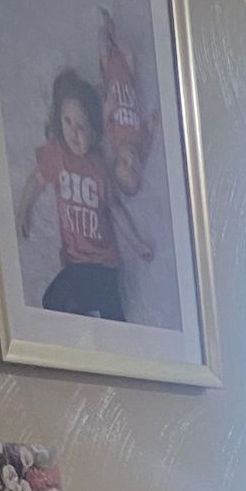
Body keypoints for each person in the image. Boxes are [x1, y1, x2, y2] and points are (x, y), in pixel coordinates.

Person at [16, 68, 151, 321]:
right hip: (76, 262)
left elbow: (116, 210)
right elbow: (35, 180)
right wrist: (24, 210)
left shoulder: (99, 166)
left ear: (94, 132)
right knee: (51, 302)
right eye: (67, 122)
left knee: (116, 324)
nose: (73, 133)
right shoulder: (57, 154)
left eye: (81, 127)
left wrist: (138, 244)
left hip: (105, 264)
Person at [97, 7, 156, 198]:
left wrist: (108, 106)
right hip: (129, 82)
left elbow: (106, 120)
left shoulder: (115, 141)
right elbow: (150, 133)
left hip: (112, 82)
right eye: (135, 169)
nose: (131, 159)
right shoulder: (142, 147)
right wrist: (153, 124)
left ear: (115, 158)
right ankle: (114, 35)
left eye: (124, 162)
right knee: (129, 53)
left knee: (104, 51)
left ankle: (107, 31)